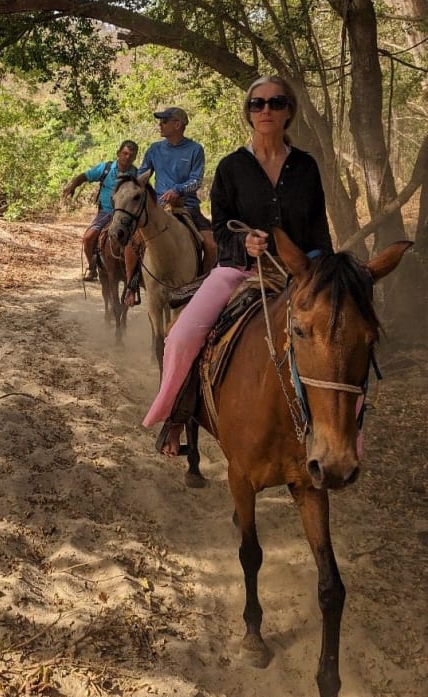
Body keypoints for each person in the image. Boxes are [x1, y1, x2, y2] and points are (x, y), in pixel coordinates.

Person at [143, 76, 333, 455]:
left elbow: (318, 232)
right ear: (248, 113)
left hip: (300, 274)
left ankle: (343, 437)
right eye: (257, 104)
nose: (266, 110)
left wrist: (317, 271)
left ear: (288, 111)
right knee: (179, 334)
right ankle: (176, 416)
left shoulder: (307, 167)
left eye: (276, 103)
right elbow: (221, 227)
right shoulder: (231, 168)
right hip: (241, 271)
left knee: (346, 338)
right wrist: (244, 243)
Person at [125, 107, 217, 300]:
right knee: (133, 242)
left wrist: (178, 190)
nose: (160, 124)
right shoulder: (154, 149)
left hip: (187, 207)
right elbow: (142, 173)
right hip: (158, 208)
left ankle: (202, 287)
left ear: (178, 124)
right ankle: (131, 287)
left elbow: (196, 180)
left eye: (164, 121)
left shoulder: (195, 150)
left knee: (211, 245)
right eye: (161, 121)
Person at [63, 140, 139, 280]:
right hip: (106, 212)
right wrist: (72, 186)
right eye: (125, 153)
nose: (127, 157)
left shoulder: (136, 174)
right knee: (88, 237)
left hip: (126, 216)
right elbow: (84, 176)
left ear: (135, 158)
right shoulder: (106, 168)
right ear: (118, 153)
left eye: (131, 155)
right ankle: (92, 268)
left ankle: (137, 275)